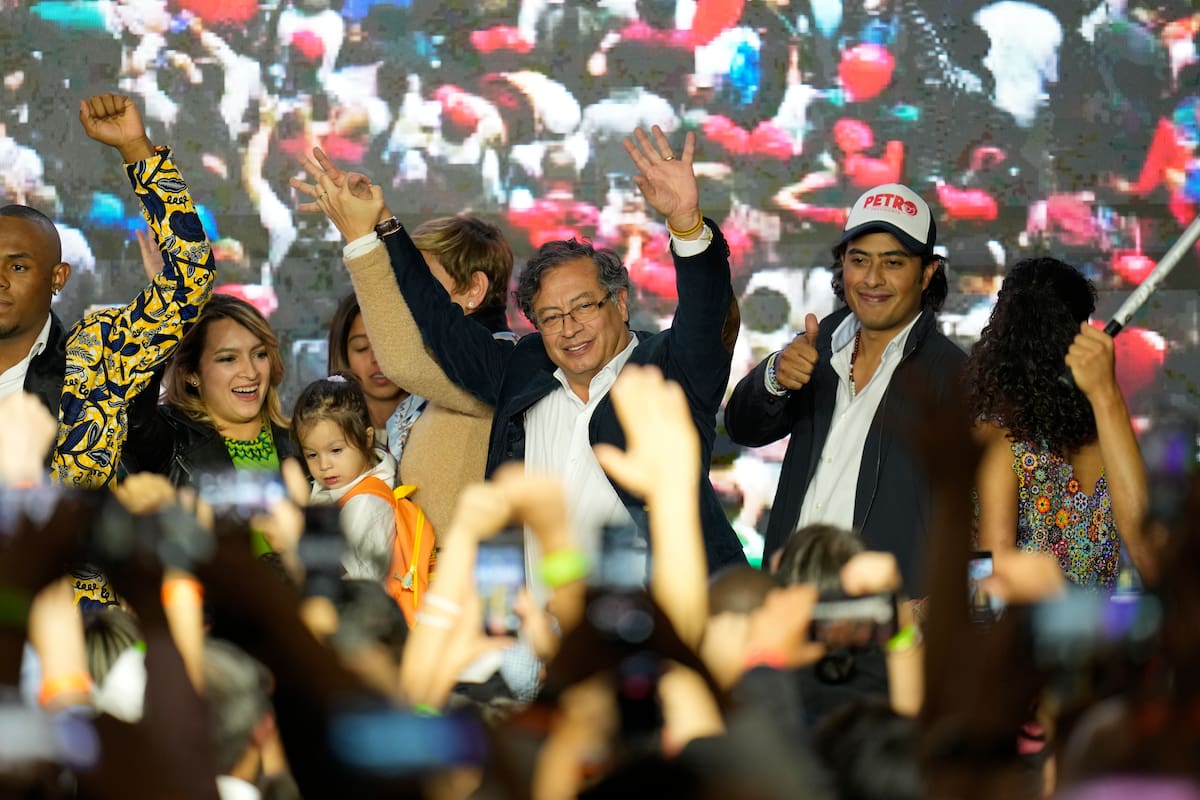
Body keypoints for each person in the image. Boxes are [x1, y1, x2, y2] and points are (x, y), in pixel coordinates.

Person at [297, 127, 745, 574]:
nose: (569, 329)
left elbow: (706, 315)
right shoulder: (524, 369)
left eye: (583, 307)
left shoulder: (667, 370)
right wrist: (384, 226)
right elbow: (438, 317)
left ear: (621, 301)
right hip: (538, 626)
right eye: (550, 317)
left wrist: (686, 223)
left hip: (658, 619)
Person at [725, 183, 965, 593]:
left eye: (893, 262)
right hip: (789, 604)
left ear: (927, 274)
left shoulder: (953, 376)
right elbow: (742, 427)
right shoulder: (815, 345)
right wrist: (775, 376)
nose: (872, 279)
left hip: (880, 616)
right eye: (859, 260)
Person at [2, 92, 215, 488]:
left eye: (18, 266)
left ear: (58, 278)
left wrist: (136, 148)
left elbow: (190, 275)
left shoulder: (98, 356)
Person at [319, 208, 515, 538]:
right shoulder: (441, 371)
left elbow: (402, 362)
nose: (411, 295)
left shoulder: (501, 362)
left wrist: (361, 242)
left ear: (473, 290)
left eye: (424, 282)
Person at [966, 257, 1153, 590]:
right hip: (1100, 637)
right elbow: (1147, 548)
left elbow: (991, 586)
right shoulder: (1108, 437)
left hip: (1020, 638)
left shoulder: (997, 439)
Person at [291, 374, 436, 615]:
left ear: (367, 438)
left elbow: (358, 582)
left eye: (336, 450)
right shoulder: (341, 484)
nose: (324, 465)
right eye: (312, 455)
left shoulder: (367, 502)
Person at [122, 294, 294, 490]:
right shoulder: (168, 441)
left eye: (260, 354)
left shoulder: (303, 439)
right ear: (190, 373)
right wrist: (168, 308)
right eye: (228, 358)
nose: (251, 372)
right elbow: (128, 405)